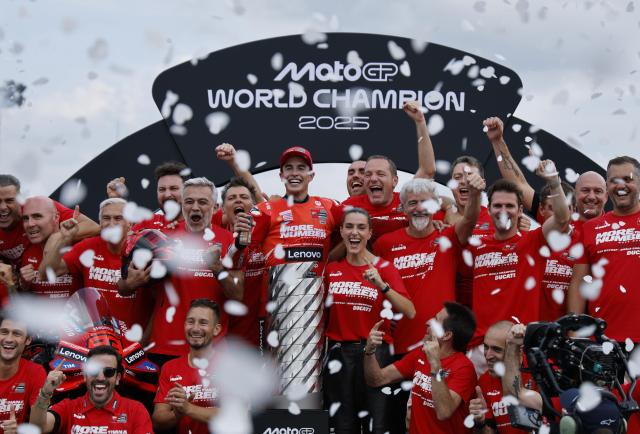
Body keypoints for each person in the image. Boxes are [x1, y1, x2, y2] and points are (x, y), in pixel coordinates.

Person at [373, 175, 484, 434]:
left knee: (440, 422)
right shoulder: (385, 244)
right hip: (401, 349)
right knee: (400, 422)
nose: (419, 208)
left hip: (442, 352)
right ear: (403, 208)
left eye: (425, 202)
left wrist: (476, 194)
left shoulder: (448, 237)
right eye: (412, 203)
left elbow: (470, 219)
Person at [484, 116, 607, 320]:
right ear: (574, 196)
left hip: (587, 324)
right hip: (539, 326)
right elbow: (518, 183)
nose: (591, 197)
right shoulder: (557, 220)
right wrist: (498, 141)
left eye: (598, 191)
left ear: (607, 196)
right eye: (585, 190)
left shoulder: (612, 231)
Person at [466, 159, 571, 375]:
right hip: (481, 347)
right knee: (477, 398)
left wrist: (554, 182)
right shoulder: (476, 245)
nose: (503, 211)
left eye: (510, 206)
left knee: (517, 398)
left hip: (519, 344)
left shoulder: (533, 241)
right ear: (489, 209)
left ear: (520, 210)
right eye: (497, 205)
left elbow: (562, 219)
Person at [323, 208, 415, 434]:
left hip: (375, 354)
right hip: (340, 354)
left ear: (370, 233)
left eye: (361, 227)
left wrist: (382, 285)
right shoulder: (331, 270)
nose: (354, 232)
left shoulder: (384, 268)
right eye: (349, 227)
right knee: (343, 426)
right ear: (341, 231)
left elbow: (409, 311)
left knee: (378, 425)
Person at [146, 177, 241, 361]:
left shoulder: (229, 241)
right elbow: (135, 287)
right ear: (182, 205)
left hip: (212, 348)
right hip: (167, 346)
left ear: (215, 207)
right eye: (189, 201)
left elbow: (237, 294)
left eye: (202, 202)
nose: (195, 207)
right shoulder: (166, 237)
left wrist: (217, 268)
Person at [363, 302, 477, 434]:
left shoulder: (464, 368)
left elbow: (444, 412)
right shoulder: (421, 353)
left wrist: (435, 364)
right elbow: (376, 379)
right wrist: (369, 351)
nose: (428, 323)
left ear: (446, 335)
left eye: (435, 321)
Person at [40, 198, 151, 333]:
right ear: (100, 223)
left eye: (118, 218)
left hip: (133, 340)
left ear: (130, 223)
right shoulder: (88, 247)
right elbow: (46, 274)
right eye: (106, 218)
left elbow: (158, 303)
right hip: (98, 337)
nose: (111, 224)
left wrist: (144, 342)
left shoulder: (142, 250)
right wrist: (64, 239)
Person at [568, 156, 640, 344]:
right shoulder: (590, 228)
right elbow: (578, 284)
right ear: (607, 186)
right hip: (604, 343)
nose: (621, 185)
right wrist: (574, 335)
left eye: (628, 179)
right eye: (614, 180)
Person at [341, 101, 436, 239]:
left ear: (394, 181)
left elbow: (427, 171)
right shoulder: (349, 206)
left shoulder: (406, 201)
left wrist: (420, 121)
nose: (373, 178)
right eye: (368, 174)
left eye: (380, 174)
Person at [250, 146, 339, 275]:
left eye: (301, 168)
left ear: (311, 176)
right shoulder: (264, 210)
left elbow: (361, 222)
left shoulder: (329, 206)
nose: (294, 173)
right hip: (275, 287)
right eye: (289, 168)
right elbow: (241, 256)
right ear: (281, 176)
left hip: (318, 287)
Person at [30, 345, 153, 434]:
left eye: (108, 372)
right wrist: (45, 393)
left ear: (117, 378)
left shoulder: (136, 410)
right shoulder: (68, 407)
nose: (100, 377)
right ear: (85, 376)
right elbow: (37, 428)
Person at [152, 298, 222, 434]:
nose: (195, 328)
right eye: (191, 322)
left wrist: (187, 408)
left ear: (216, 329)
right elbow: (158, 420)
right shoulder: (170, 368)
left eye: (203, 323)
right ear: (184, 325)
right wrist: (177, 414)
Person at [0, 174, 99, 264]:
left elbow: (93, 227)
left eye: (9, 200)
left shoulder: (34, 206)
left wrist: (58, 238)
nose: (3, 207)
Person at [215, 177, 267, 346]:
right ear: (223, 208)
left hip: (259, 331)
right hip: (222, 334)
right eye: (232, 198)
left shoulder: (266, 231)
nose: (238, 200)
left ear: (254, 206)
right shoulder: (214, 235)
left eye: (244, 197)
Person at [468, 320, 535, 433]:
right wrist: (480, 423)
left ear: (518, 351)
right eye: (486, 347)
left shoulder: (537, 371)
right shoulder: (484, 381)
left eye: (496, 349)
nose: (488, 356)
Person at [19, 196, 80, 299]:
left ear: (56, 217)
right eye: (25, 218)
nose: (30, 224)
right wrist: (24, 284)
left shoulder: (79, 246)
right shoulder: (25, 250)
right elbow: (24, 298)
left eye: (37, 216)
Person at [107, 161, 189, 233]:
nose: (167, 194)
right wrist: (115, 200)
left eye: (173, 188)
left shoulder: (196, 226)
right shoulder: (147, 223)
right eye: (162, 189)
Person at [0, 316, 46, 430]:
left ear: (28, 340)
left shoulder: (35, 372)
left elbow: (38, 427)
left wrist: (46, 393)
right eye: (4, 332)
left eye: (17, 334)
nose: (9, 339)